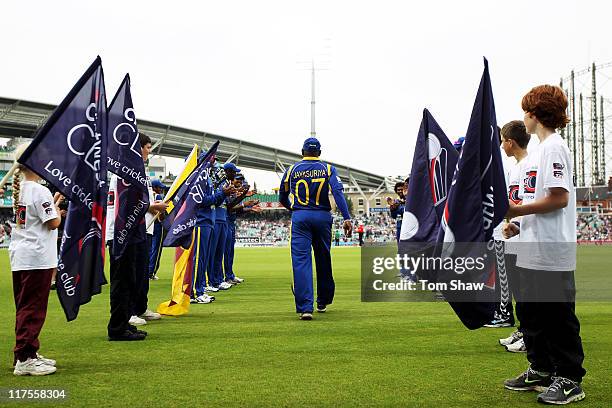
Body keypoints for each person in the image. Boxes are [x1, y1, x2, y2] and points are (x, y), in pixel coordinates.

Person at [503, 85, 586, 404]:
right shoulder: (537, 152)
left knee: (557, 315)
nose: (523, 116)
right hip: (531, 247)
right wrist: (518, 224)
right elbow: (533, 199)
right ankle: (540, 368)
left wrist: (516, 211)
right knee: (531, 313)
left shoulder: (554, 147)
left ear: (535, 114)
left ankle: (569, 377)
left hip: (552, 248)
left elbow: (558, 198)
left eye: (526, 110)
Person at [279, 137, 352, 320]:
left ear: (302, 151)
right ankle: (323, 300)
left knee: (301, 261)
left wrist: (292, 208)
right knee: (323, 257)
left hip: (300, 217)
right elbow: (338, 193)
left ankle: (305, 307)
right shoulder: (328, 169)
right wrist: (347, 218)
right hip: (322, 217)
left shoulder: (291, 170)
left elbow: (282, 196)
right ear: (319, 152)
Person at [106, 134, 168, 340]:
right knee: (122, 281)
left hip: (132, 232)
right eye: (147, 147)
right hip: (121, 234)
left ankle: (124, 322)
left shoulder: (132, 171)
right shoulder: (125, 172)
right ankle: (117, 327)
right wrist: (153, 206)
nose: (149, 151)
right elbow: (127, 205)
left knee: (130, 279)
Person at [9, 143, 61, 375]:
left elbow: (33, 219)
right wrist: (57, 212)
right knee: (33, 308)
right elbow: (52, 223)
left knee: (25, 307)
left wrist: (54, 207)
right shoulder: (40, 191)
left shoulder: (22, 190)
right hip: (37, 257)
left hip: (22, 255)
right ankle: (24, 358)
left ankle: (27, 351)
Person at [498, 120, 531, 352]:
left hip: (524, 237)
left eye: (502, 141)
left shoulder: (528, 165)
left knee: (525, 289)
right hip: (514, 234)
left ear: (510, 142)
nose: (501, 146)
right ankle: (523, 329)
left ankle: (529, 334)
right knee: (517, 289)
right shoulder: (515, 167)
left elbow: (523, 203)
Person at [148, 179, 168, 280]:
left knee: (150, 249)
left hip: (150, 225)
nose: (161, 189)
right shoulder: (158, 196)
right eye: (159, 187)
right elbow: (161, 214)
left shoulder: (148, 194)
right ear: (154, 187)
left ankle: (148, 270)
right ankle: (151, 272)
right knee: (157, 249)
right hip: (158, 225)